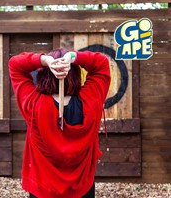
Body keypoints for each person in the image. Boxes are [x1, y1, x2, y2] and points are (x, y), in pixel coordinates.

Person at [9, 48, 111, 198]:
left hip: (43, 191)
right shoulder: (91, 100)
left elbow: (15, 65)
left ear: (44, 74)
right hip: (82, 190)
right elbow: (101, 63)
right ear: (75, 74)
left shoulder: (34, 104)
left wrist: (45, 61)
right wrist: (73, 57)